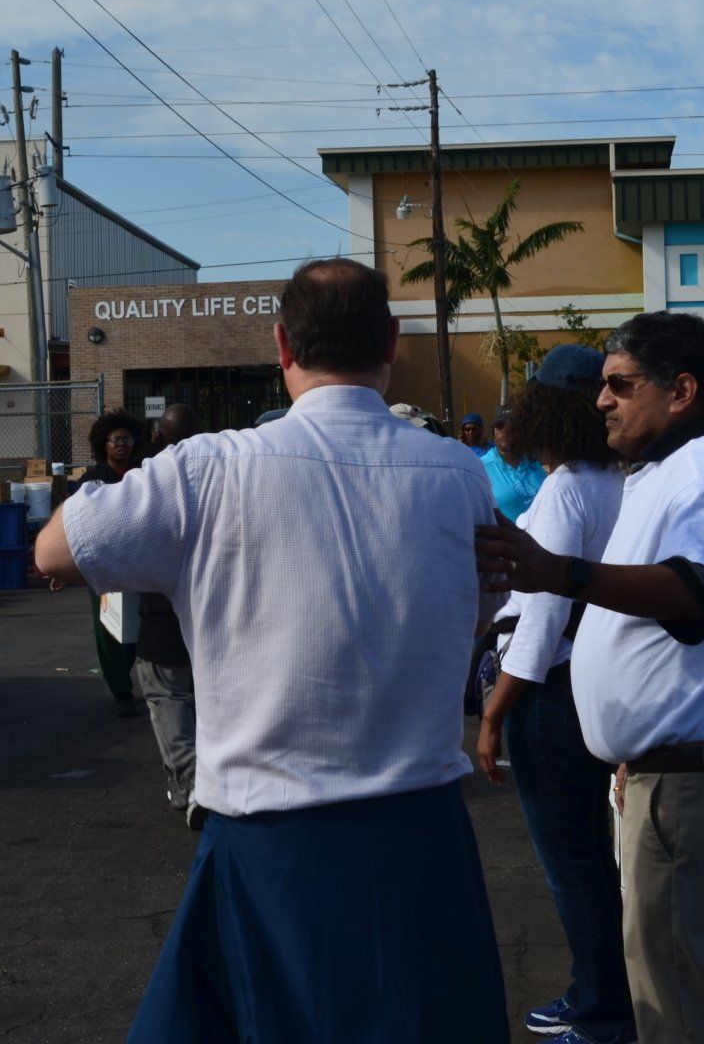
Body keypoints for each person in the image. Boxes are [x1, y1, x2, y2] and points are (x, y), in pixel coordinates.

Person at [35, 258, 509, 1043]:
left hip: (272, 837)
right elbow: (479, 610)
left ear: (282, 345)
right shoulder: (459, 472)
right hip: (421, 834)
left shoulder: (210, 469)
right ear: (391, 342)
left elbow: (56, 550)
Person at [476, 310, 704, 1044]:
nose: (601, 400)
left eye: (620, 384)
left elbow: (692, 594)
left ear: (681, 391)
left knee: (684, 1009)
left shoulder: (701, 473)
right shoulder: (666, 471)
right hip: (687, 774)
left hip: (696, 788)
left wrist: (562, 573)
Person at [475, 345, 633, 1044]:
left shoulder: (569, 487)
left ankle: (602, 1011)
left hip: (550, 694)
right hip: (599, 683)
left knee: (573, 864)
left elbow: (540, 622)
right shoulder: (622, 479)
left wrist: (494, 714)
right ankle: (603, 994)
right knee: (597, 859)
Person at [135, 402, 204, 827]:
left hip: (163, 619)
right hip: (214, 618)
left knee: (169, 698)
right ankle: (216, 781)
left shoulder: (150, 480)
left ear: (158, 435)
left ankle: (193, 787)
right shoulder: (224, 475)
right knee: (209, 701)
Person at [77, 409, 149, 716]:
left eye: (127, 439)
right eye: (115, 439)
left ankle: (123, 676)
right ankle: (121, 690)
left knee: (135, 628)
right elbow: (77, 521)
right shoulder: (92, 480)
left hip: (139, 564)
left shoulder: (143, 475)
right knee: (109, 629)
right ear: (103, 444)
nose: (122, 444)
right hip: (103, 566)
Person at [484, 408, 547, 523]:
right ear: (493, 432)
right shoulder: (482, 467)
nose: (506, 431)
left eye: (512, 426)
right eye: (500, 426)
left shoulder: (533, 462)